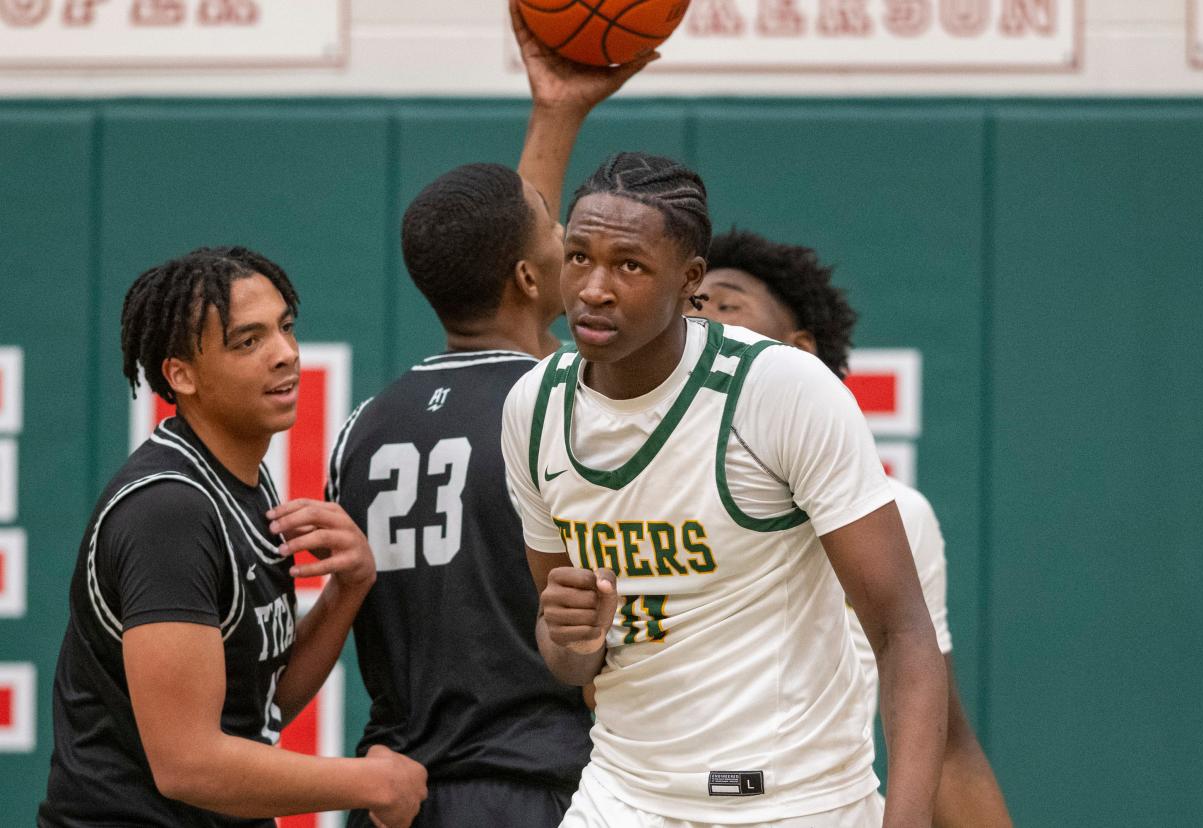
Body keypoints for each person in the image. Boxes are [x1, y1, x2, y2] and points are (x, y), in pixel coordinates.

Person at [501, 153, 947, 828]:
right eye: (579, 256)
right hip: (622, 798)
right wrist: (565, 634)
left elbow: (903, 631)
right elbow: (572, 658)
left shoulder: (780, 390)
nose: (593, 287)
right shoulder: (532, 408)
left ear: (689, 282)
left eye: (629, 265)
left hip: (793, 804)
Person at [322, 7, 654, 826]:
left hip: (397, 791)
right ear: (530, 277)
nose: (568, 241)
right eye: (559, 238)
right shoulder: (568, 404)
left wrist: (556, 111)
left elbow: (509, 234)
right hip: (535, 785)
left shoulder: (361, 427)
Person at [38, 248, 426, 828]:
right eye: (248, 341)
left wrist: (349, 587)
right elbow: (188, 764)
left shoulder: (241, 483)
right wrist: (370, 782)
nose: (285, 354)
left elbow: (257, 708)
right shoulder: (169, 513)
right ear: (181, 375)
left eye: (285, 328)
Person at [691, 228, 1013, 827]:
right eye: (690, 306)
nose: (702, 316)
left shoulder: (897, 515)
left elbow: (945, 746)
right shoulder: (630, 483)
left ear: (801, 351)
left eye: (726, 302)